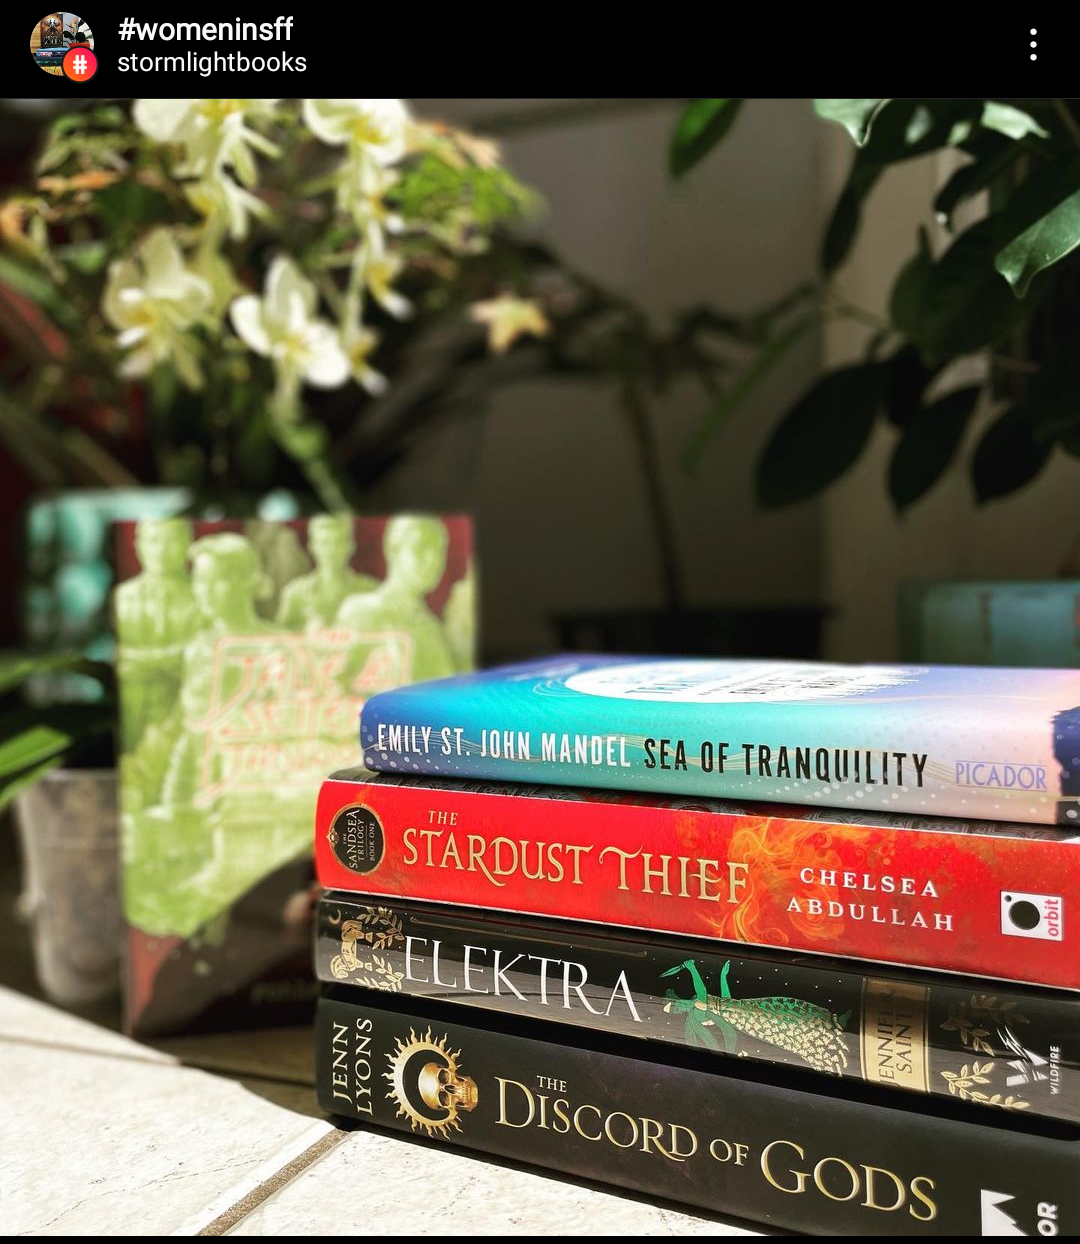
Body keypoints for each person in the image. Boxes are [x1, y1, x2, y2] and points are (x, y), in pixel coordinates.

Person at [337, 514, 455, 688]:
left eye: (439, 551)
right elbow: (337, 685)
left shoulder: (431, 629)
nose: (433, 560)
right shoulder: (362, 612)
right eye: (421, 547)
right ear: (393, 550)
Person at [114, 517, 199, 752]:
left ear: (188, 544)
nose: (162, 550)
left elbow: (204, 652)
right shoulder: (122, 596)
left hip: (188, 706)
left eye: (171, 540)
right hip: (134, 708)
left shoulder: (204, 596)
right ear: (138, 546)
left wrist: (141, 661)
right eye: (154, 541)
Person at [275, 514, 377, 629]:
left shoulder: (368, 590)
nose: (331, 551)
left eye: (338, 543)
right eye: (325, 543)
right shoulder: (295, 593)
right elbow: (280, 635)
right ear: (312, 547)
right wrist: (305, 630)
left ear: (350, 546)